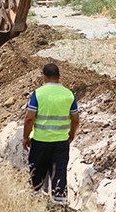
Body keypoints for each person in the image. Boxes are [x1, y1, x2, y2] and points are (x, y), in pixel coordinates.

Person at [23, 63, 80, 205]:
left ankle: (33, 204)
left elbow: (29, 118)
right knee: (59, 176)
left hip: (40, 142)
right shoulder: (69, 94)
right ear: (59, 77)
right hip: (61, 143)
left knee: (36, 177)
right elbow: (76, 120)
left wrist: (25, 137)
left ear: (44, 77)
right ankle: (59, 204)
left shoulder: (38, 93)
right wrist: (72, 133)